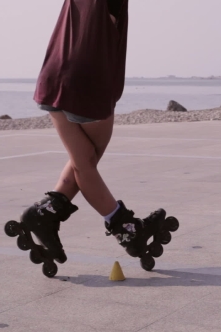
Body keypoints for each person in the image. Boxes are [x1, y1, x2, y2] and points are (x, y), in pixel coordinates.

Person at [11, 0, 163, 268]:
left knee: (81, 158)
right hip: (87, 80)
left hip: (53, 74)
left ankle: (45, 214)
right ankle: (127, 230)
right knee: (86, 164)